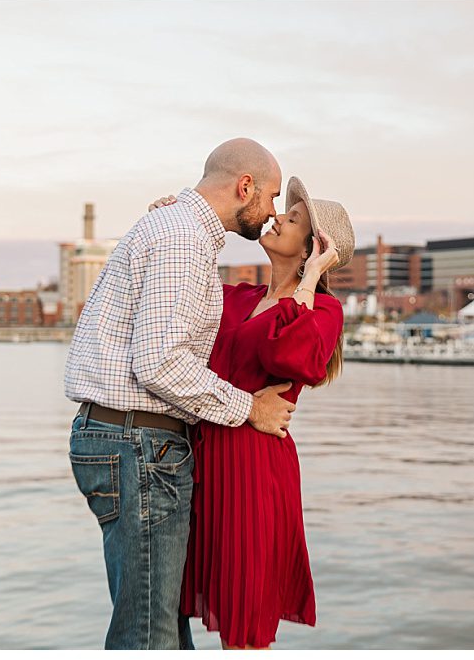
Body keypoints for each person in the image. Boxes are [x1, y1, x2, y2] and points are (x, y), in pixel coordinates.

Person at [63, 138, 298, 650]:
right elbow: (159, 361)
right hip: (139, 446)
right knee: (148, 632)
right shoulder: (184, 239)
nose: (273, 212)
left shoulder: (175, 228)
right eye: (272, 196)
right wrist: (250, 408)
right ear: (245, 187)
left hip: (127, 441)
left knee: (162, 623)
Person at [149, 176, 355, 649]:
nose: (278, 215)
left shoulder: (323, 309)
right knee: (200, 608)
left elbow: (292, 357)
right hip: (202, 461)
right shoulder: (235, 297)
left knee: (246, 627)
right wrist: (170, 220)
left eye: (295, 218)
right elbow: (182, 288)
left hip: (254, 467)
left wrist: (306, 281)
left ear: (313, 249)